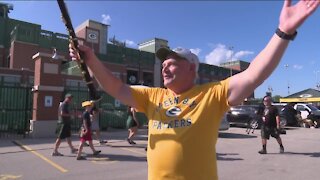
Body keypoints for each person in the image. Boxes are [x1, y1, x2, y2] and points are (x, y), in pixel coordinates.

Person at [69, 0, 318, 178]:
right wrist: (91, 60)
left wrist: (283, 32)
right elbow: (115, 86)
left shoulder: (212, 94)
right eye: (163, 64)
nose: (165, 68)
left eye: (172, 64)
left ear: (191, 69)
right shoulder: (152, 96)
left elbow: (254, 74)